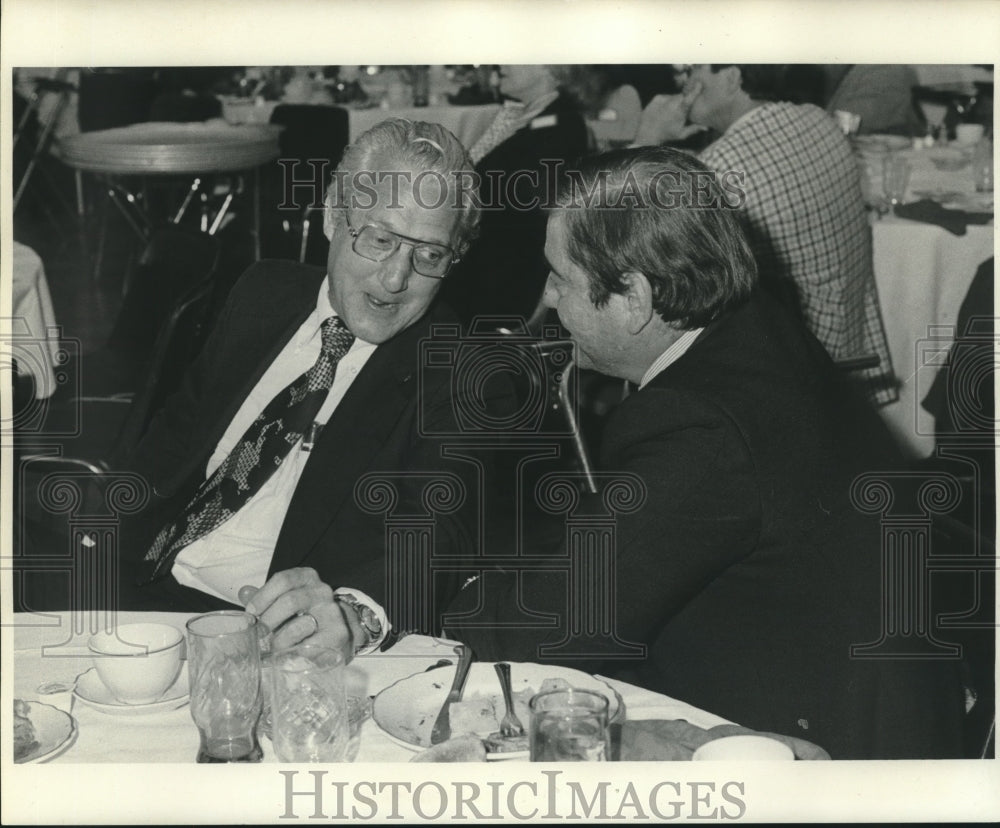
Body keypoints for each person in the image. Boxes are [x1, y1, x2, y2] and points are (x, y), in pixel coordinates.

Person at [447, 147, 966, 759]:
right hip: (872, 680)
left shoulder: (698, 426)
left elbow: (555, 628)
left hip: (824, 749)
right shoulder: (752, 320)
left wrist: (434, 594)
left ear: (635, 299)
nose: (549, 301)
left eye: (560, 278)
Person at [33, 119, 490, 659]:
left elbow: (441, 534)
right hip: (131, 581)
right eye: (380, 239)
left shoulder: (463, 370)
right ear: (332, 218)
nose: (395, 279)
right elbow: (170, 443)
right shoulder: (261, 293)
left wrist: (357, 614)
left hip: (265, 633)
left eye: (429, 255)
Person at [633, 64, 897, 406]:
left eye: (693, 69)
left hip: (783, 382)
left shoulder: (722, 167)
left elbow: (628, 241)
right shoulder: (817, 120)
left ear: (732, 76)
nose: (682, 82)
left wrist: (646, 139)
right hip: (844, 357)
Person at [440, 64, 590, 326]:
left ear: (550, 68)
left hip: (504, 275)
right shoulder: (514, 115)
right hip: (478, 258)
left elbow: (525, 210)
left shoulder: (564, 124)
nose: (502, 62)